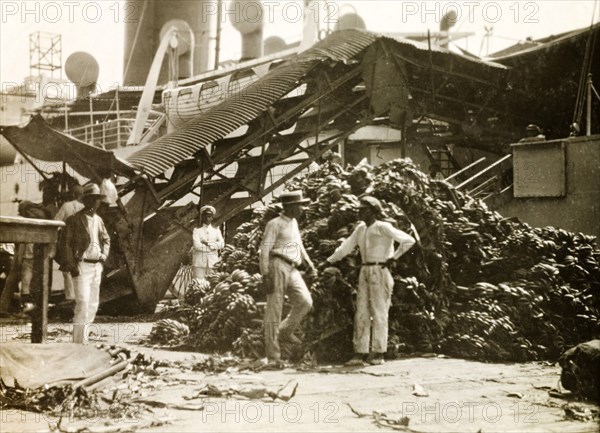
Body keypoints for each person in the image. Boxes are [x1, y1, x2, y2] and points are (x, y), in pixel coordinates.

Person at [326, 196, 417, 366]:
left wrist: (394, 257)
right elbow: (346, 246)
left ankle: (378, 352)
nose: (360, 212)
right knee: (361, 311)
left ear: (374, 211)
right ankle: (360, 352)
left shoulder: (383, 227)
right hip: (365, 270)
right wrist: (330, 260)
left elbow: (408, 240)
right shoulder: (361, 228)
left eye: (364, 209)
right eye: (359, 209)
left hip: (380, 270)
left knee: (379, 311)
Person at [260, 191, 317, 367]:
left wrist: (309, 264)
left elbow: (299, 245)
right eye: (299, 205)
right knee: (274, 309)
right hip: (277, 265)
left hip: (292, 267)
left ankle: (284, 332)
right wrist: (265, 273)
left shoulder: (293, 223)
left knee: (305, 301)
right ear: (290, 207)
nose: (302, 208)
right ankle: (273, 357)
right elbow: (264, 249)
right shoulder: (274, 224)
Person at [59, 183, 110, 344]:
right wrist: (72, 266)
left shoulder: (99, 220)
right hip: (82, 266)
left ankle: (84, 339)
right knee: (82, 302)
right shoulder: (74, 220)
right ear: (86, 201)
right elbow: (65, 244)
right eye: (92, 200)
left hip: (96, 267)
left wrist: (103, 256)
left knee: (93, 304)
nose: (96, 203)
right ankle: (78, 342)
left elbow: (106, 239)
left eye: (97, 200)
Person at [0, 201, 48, 315]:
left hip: (27, 257)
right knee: (18, 282)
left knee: (23, 284)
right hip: (25, 256)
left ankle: (13, 308)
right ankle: (7, 307)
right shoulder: (35, 221)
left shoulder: (29, 222)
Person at [54, 185, 84, 302]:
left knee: (67, 268)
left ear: (73, 195)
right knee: (80, 267)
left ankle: (70, 295)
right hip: (81, 242)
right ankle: (80, 294)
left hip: (67, 241)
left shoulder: (67, 206)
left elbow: (56, 222)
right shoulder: (86, 208)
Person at [192, 205, 225, 280]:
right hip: (199, 263)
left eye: (209, 216)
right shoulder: (196, 231)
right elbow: (197, 245)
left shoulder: (216, 230)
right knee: (198, 285)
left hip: (213, 263)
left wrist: (208, 244)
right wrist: (213, 248)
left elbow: (222, 244)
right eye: (205, 216)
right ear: (202, 217)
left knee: (212, 284)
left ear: (212, 218)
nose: (207, 218)